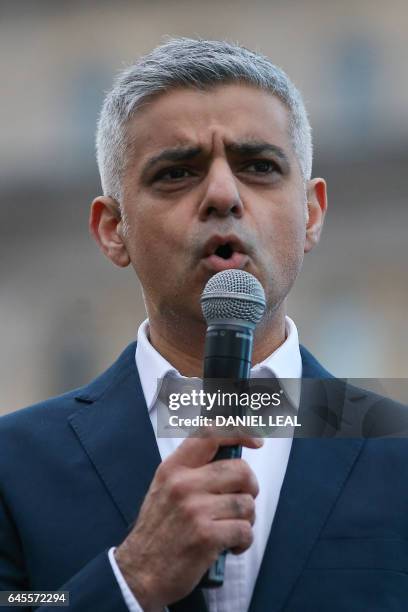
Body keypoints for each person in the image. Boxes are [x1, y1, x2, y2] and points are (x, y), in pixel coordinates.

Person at [1, 38, 407, 612]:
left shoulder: (396, 447)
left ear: (311, 215)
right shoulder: (13, 461)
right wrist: (127, 578)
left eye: (260, 167)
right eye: (176, 173)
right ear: (113, 229)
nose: (222, 195)